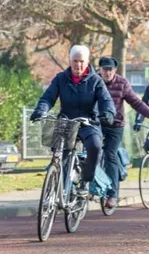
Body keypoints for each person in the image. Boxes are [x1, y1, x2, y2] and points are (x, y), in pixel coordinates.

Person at [30, 45, 116, 198]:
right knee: (59, 154)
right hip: (66, 121)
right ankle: (61, 190)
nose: (78, 65)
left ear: (88, 61)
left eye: (81, 61)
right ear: (70, 61)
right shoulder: (60, 79)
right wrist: (41, 110)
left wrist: (108, 113)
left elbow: (105, 100)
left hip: (88, 123)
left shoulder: (96, 81)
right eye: (75, 61)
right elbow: (48, 97)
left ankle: (86, 181)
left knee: (95, 147)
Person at [97, 56, 149, 209]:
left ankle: (113, 195)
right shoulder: (94, 81)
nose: (107, 73)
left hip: (115, 125)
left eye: (110, 70)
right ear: (99, 70)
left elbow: (137, 103)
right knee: (92, 151)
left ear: (115, 70)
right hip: (96, 123)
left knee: (110, 154)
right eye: (104, 70)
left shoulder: (122, 83)